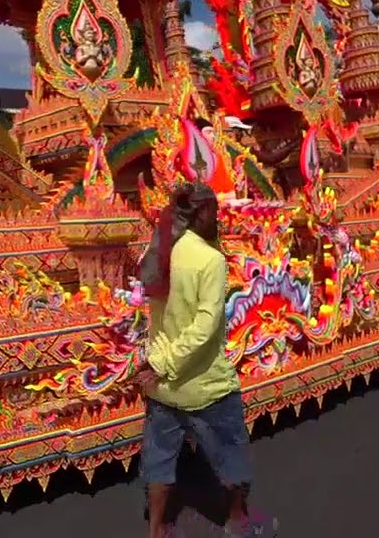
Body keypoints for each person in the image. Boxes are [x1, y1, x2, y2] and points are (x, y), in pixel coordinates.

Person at [134, 183, 268, 537]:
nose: (220, 219)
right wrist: (165, 364)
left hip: (162, 387)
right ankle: (238, 518)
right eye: (215, 212)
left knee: (160, 462)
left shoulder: (161, 251)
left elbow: (157, 319)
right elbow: (206, 325)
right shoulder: (210, 259)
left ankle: (156, 529)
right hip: (204, 383)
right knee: (232, 452)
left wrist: (156, 363)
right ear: (202, 213)